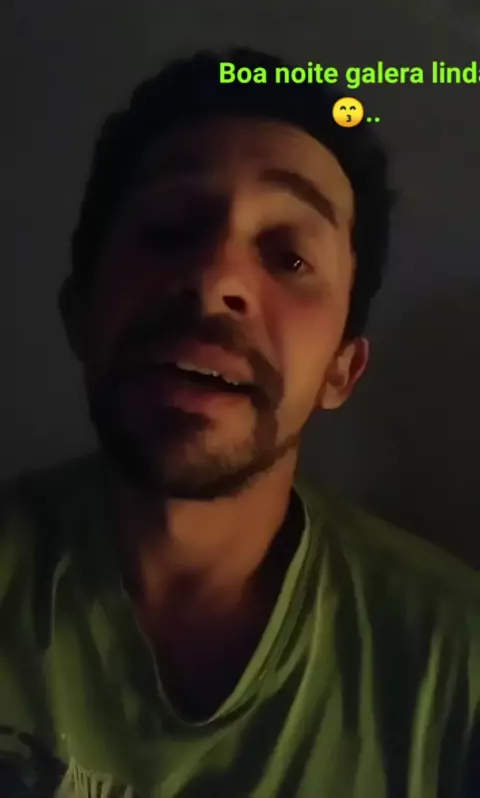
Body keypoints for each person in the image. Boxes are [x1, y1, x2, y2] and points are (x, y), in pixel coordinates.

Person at [1, 47, 479, 798]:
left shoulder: (459, 670)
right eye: (169, 228)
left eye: (289, 257)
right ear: (80, 311)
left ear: (341, 371)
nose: (214, 280)